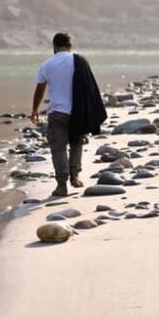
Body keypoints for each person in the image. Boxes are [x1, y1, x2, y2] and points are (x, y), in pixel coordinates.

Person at [30, 32, 107, 197]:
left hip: (57, 113)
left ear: (55, 47)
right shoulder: (80, 61)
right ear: (70, 46)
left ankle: (61, 185)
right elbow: (90, 87)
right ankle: (75, 176)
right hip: (78, 111)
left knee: (58, 148)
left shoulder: (46, 65)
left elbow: (39, 90)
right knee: (76, 143)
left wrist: (35, 110)